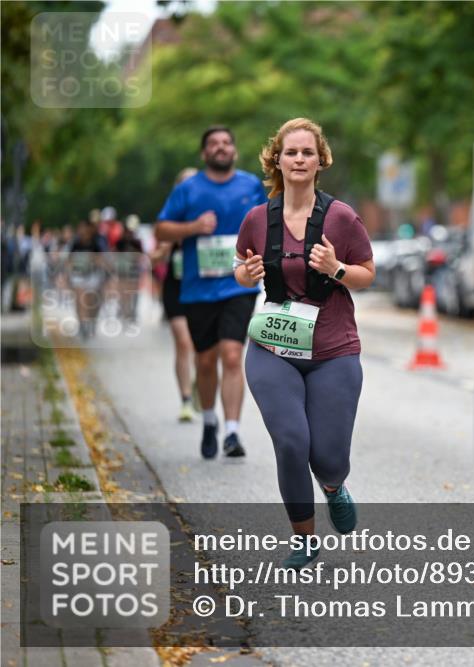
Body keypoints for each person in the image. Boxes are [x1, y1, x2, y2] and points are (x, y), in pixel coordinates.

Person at [234, 118, 374, 569]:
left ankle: (333, 486)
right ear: (277, 159)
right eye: (290, 152)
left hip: (333, 350)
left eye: (307, 153)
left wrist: (335, 267)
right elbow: (241, 265)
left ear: (320, 161)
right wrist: (247, 274)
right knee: (291, 441)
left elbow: (368, 274)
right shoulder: (257, 219)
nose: (299, 159)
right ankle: (305, 538)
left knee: (328, 458)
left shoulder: (341, 218)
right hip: (273, 347)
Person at [155, 127, 267, 458]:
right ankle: (208, 420)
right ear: (204, 154)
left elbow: (269, 224)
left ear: (234, 150)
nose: (221, 148)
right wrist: (192, 228)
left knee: (232, 355)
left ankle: (232, 432)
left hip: (239, 284)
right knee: (205, 362)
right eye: (214, 144)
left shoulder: (250, 185)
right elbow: (161, 228)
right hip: (198, 289)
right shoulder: (188, 189)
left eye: (227, 143)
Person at [151, 167, 199, 422]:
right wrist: (157, 254)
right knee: (183, 342)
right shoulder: (173, 218)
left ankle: (202, 384)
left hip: (205, 287)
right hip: (177, 286)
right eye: (184, 184)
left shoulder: (211, 216)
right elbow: (160, 249)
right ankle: (186, 400)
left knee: (205, 349)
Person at [68, 219, 109, 340]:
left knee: (91, 301)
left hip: (93, 275)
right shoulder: (75, 243)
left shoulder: (97, 243)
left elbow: (101, 259)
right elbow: (69, 260)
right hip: (78, 275)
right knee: (80, 299)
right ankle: (82, 324)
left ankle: (90, 322)